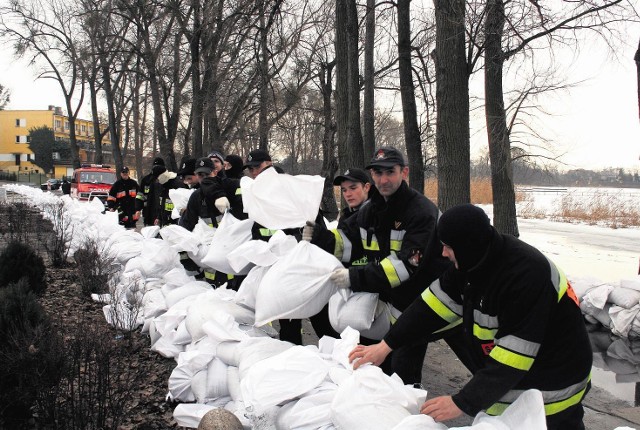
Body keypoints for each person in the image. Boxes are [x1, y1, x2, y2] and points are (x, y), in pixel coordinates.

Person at [348, 204, 592, 430]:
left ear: (468, 246)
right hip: (516, 381)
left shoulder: (526, 275)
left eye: (449, 246)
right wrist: (386, 345)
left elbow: (514, 357)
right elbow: (429, 307)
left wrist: (462, 402)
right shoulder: (470, 265)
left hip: (554, 388)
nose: (443, 253)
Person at [305, 146, 448, 384]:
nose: (383, 179)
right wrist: (320, 236)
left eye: (389, 172)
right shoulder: (372, 210)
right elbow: (348, 242)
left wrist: (354, 278)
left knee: (404, 368)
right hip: (398, 298)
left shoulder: (420, 211)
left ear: (404, 172)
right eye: (377, 173)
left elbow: (407, 265)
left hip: (428, 299)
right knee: (389, 364)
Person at [138, 157, 164, 226]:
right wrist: (137, 208)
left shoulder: (165, 180)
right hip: (148, 213)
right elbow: (140, 195)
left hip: (161, 214)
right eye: (155, 167)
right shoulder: (146, 180)